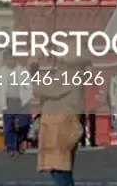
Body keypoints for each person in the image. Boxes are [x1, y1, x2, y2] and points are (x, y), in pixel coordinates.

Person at [34, 57, 85, 186]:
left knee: (60, 171)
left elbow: (40, 88)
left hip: (61, 130)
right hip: (59, 128)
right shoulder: (66, 75)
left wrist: (34, 68)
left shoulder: (69, 75)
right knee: (60, 170)